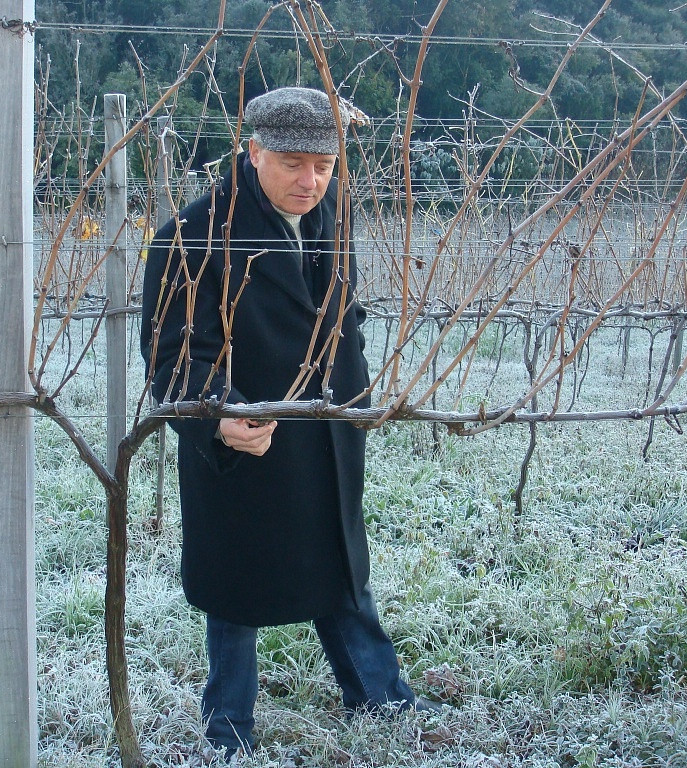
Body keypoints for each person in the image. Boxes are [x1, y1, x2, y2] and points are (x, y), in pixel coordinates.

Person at [140, 86, 437, 758]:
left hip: (328, 438)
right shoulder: (192, 237)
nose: (311, 181)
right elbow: (170, 358)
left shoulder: (331, 213)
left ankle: (382, 700)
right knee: (238, 590)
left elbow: (340, 311)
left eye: (324, 167)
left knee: (340, 571)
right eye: (293, 163)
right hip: (248, 446)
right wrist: (219, 419)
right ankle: (229, 728)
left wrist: (357, 392)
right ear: (252, 153)